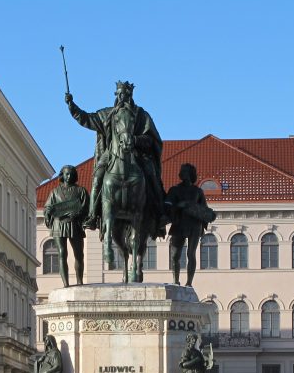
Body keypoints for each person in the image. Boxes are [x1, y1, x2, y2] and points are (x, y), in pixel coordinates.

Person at [65, 81, 164, 235]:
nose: (121, 97)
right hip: (112, 154)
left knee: (151, 175)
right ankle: (92, 215)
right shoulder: (108, 114)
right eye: (118, 94)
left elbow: (151, 139)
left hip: (136, 153)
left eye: (124, 94)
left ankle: (160, 214)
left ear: (130, 96)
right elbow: (86, 118)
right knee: (98, 177)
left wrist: (136, 140)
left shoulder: (141, 115)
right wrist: (72, 106)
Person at [165, 163, 216, 287]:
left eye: (186, 171)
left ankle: (189, 282)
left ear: (190, 174)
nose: (183, 174)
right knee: (175, 255)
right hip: (179, 223)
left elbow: (204, 209)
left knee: (191, 254)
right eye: (182, 171)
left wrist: (203, 213)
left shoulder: (197, 191)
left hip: (194, 225)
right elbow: (167, 206)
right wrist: (179, 206)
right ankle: (175, 280)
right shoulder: (174, 190)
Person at [43, 164, 89, 287]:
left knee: (79, 254)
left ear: (74, 175)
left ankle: (79, 282)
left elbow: (87, 208)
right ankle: (66, 284)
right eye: (66, 174)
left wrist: (78, 213)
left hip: (75, 224)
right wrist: (48, 213)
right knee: (62, 253)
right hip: (59, 224)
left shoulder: (81, 191)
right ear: (62, 175)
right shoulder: (55, 192)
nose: (68, 176)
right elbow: (47, 207)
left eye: (70, 174)